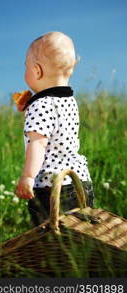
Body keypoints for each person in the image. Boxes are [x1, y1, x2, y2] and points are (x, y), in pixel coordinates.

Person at [15, 31, 94, 226]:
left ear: (37, 71)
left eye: (26, 67)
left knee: (49, 238)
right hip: (79, 181)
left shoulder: (40, 105)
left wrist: (28, 176)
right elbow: (55, 128)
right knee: (79, 234)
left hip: (52, 186)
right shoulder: (68, 100)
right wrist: (28, 108)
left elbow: (39, 144)